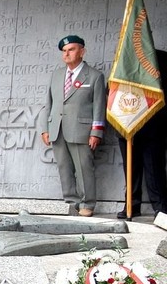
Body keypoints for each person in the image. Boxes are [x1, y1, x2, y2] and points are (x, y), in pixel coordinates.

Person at [39, 35, 106, 217]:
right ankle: (71, 202)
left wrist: (96, 132)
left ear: (82, 51)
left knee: (84, 168)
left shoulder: (94, 76)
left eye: (71, 50)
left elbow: (99, 106)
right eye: (64, 51)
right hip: (57, 129)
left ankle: (87, 204)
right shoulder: (56, 75)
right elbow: (49, 103)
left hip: (81, 130)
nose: (66, 54)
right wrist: (45, 128)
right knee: (64, 168)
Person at [115, 49, 167, 219]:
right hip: (127, 124)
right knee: (131, 170)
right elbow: (113, 90)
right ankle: (132, 205)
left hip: (153, 125)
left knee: (154, 170)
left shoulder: (159, 58)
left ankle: (160, 208)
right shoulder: (122, 59)